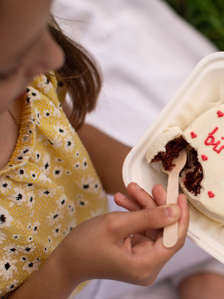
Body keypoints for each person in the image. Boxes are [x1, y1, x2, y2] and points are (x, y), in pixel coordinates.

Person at [0, 0, 191, 298]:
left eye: (42, 27)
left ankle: (207, 277)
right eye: (9, 69)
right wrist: (68, 267)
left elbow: (62, 132)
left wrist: (143, 174)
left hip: (96, 230)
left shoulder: (25, 84)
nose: (54, 56)